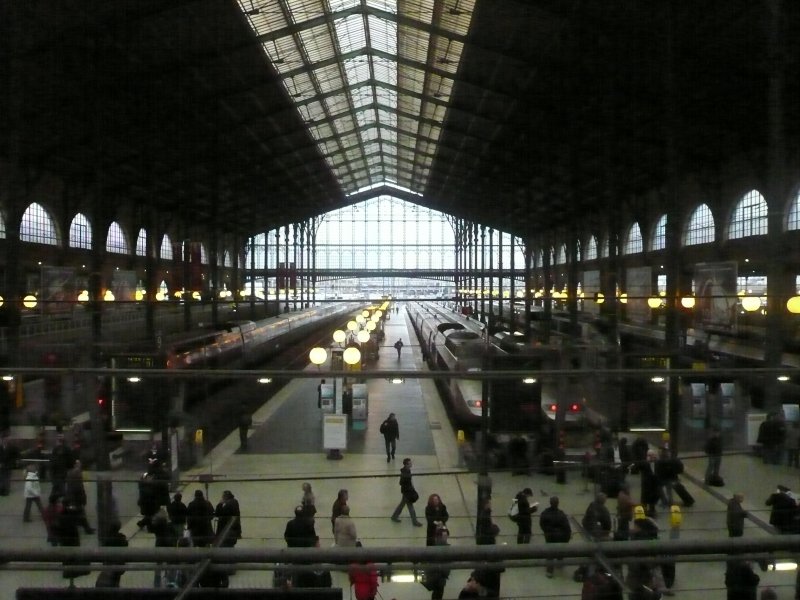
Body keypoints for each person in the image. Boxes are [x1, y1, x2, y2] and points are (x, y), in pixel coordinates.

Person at [539, 495, 571, 578]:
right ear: (558, 503)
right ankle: (559, 563)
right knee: (560, 550)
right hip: (560, 537)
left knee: (550, 553)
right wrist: (567, 537)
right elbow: (567, 528)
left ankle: (550, 571)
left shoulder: (545, 513)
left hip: (549, 536)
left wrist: (547, 531)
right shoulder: (561, 514)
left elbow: (542, 524)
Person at [65, 459, 94, 534]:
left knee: (79, 513)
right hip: (76, 497)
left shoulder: (70, 472)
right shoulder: (77, 473)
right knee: (80, 513)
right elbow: (79, 487)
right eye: (78, 464)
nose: (79, 465)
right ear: (75, 465)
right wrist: (83, 497)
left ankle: (87, 528)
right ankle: (87, 529)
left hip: (73, 496)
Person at [390, 458, 423, 526]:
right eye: (410, 463)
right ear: (406, 464)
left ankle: (394, 516)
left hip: (406, 491)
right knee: (410, 507)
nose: (411, 464)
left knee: (402, 505)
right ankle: (414, 521)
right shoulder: (405, 473)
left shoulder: (407, 470)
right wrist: (409, 487)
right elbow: (401, 482)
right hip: (407, 492)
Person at [95, 521, 127, 588]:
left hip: (109, 563)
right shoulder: (122, 538)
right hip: (119, 563)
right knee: (116, 578)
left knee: (111, 578)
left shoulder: (107, 539)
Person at [49, 434, 73, 499]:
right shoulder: (66, 449)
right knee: (59, 488)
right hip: (61, 472)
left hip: (58, 473)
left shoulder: (56, 449)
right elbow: (70, 461)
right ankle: (59, 500)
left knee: (57, 488)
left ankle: (54, 501)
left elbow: (52, 461)